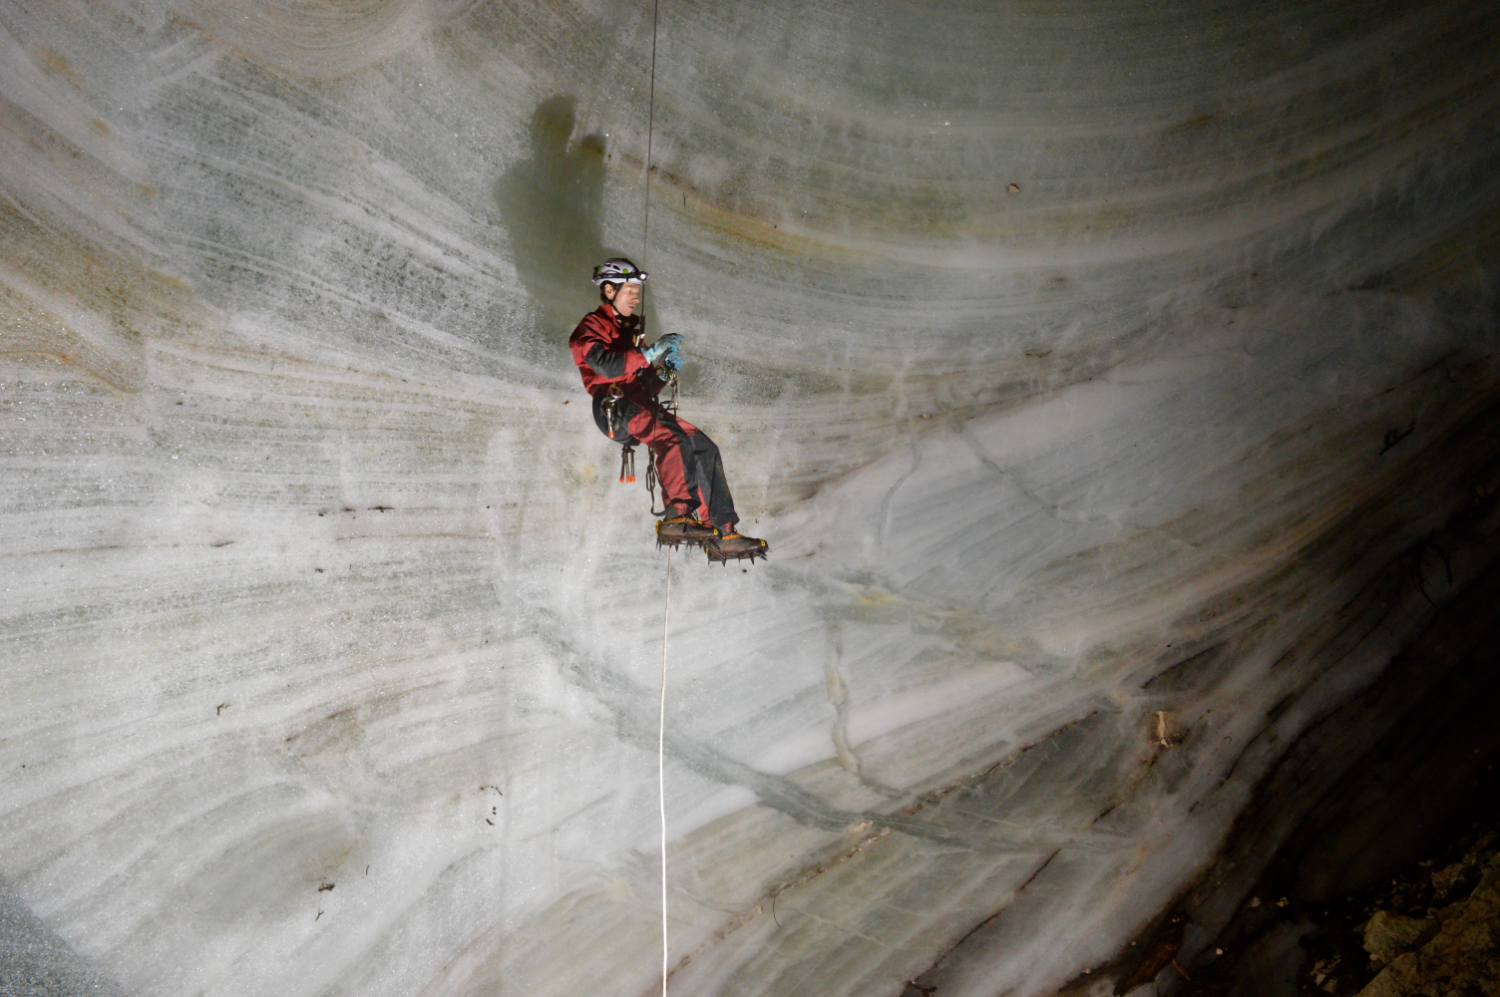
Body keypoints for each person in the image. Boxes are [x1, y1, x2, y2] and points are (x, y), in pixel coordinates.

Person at [568, 258, 769, 563]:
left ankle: (723, 531)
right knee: (672, 438)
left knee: (704, 447)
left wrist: (660, 372)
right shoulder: (591, 326)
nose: (636, 296)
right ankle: (677, 517)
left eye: (638, 290)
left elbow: (642, 387)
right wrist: (648, 354)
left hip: (634, 401)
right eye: (630, 290)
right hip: (614, 405)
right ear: (609, 290)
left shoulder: (631, 331)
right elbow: (606, 365)